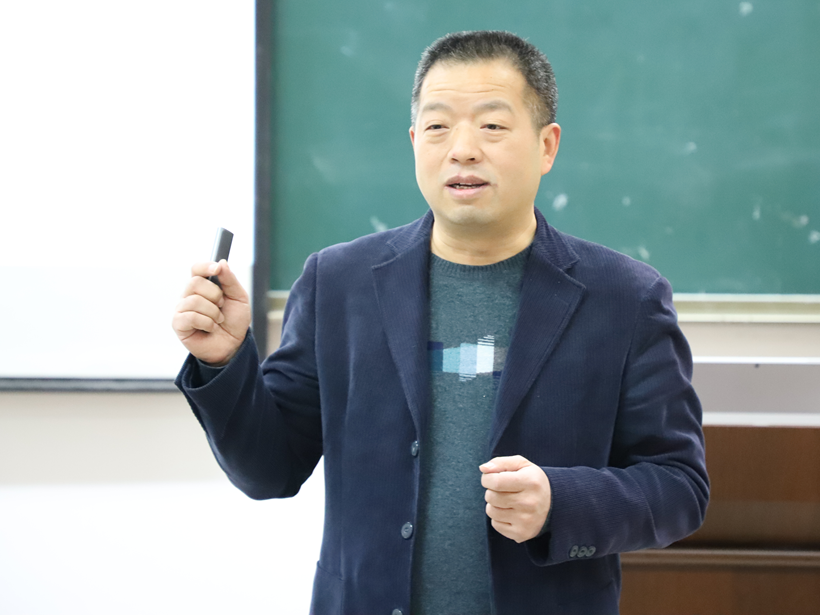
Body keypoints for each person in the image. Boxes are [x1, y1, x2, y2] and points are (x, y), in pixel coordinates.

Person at [172, 30, 708, 615]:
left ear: (547, 145)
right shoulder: (339, 284)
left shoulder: (624, 298)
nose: (463, 149)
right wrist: (224, 361)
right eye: (437, 126)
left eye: (492, 125)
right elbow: (268, 470)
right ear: (414, 142)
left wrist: (562, 501)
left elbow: (679, 487)